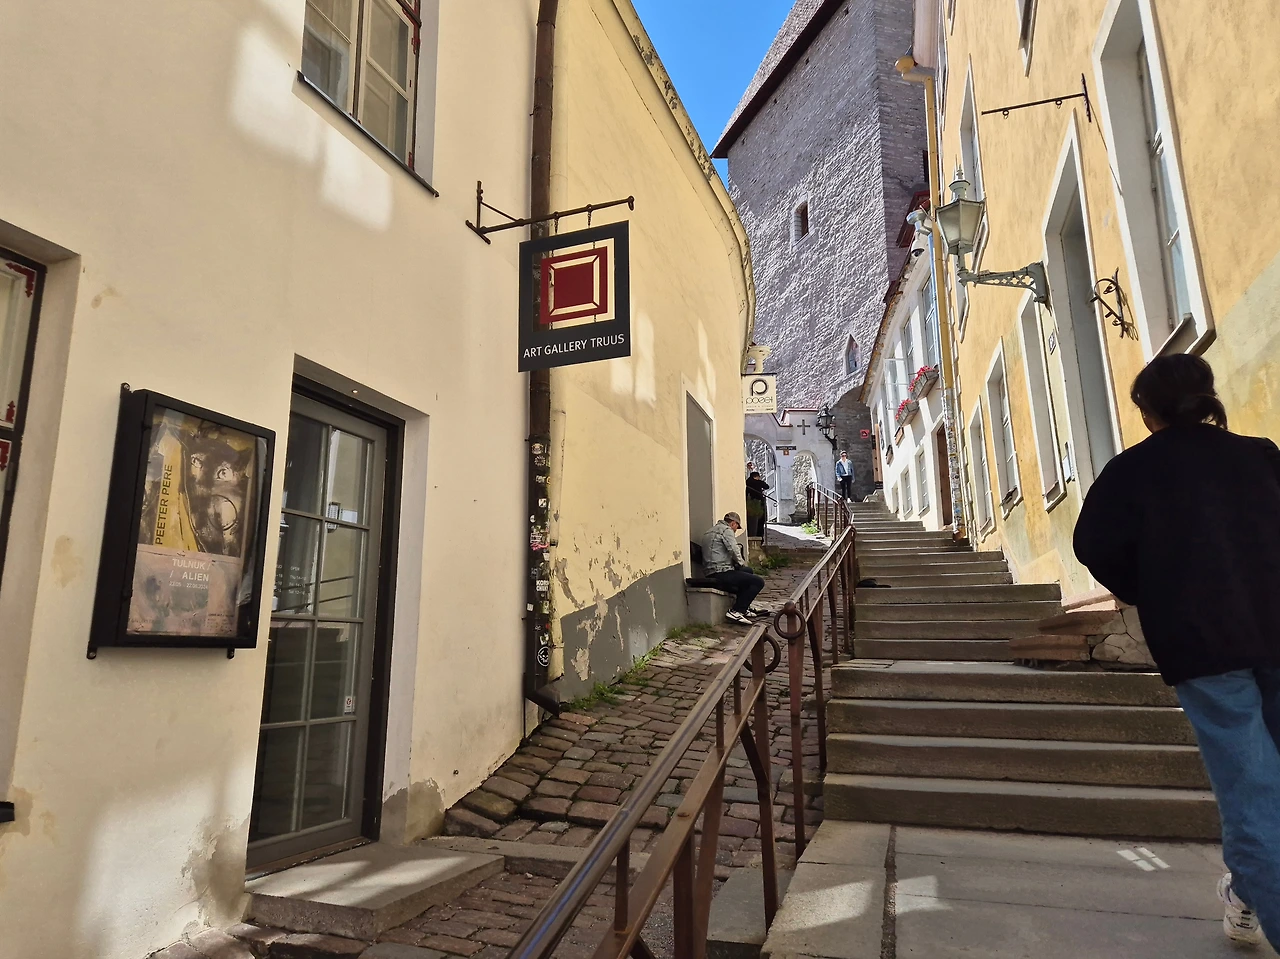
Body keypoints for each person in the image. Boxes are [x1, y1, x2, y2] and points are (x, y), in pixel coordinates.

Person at [1073, 354, 1280, 950]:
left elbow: (1093, 545)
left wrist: (1148, 590)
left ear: (1147, 413)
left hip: (1204, 641)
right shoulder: (1262, 456)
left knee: (1252, 793)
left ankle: (1254, 892)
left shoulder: (1133, 470)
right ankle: (1247, 894)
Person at [701, 512, 766, 626]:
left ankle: (744, 606)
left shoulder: (710, 531)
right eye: (737, 527)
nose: (736, 530)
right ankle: (736, 611)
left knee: (748, 572)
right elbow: (734, 549)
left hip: (711, 571)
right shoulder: (726, 530)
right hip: (720, 572)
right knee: (758, 582)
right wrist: (741, 564)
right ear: (733, 523)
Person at [746, 471, 770, 537]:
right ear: (756, 477)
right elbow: (766, 486)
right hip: (759, 503)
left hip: (749, 503)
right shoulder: (759, 482)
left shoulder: (747, 482)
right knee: (760, 522)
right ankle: (760, 536)